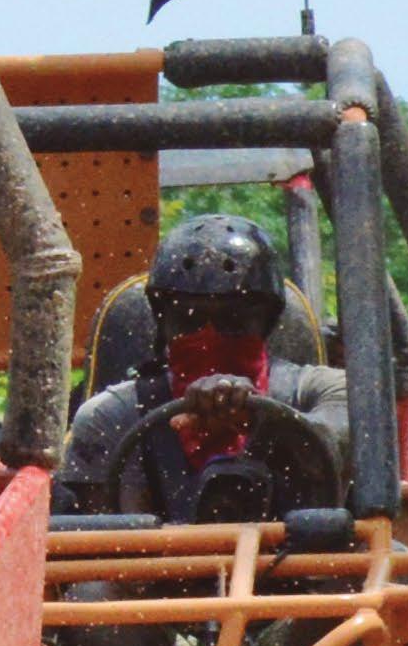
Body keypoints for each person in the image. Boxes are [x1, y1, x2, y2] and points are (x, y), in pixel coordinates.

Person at [58, 217, 352, 525]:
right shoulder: (112, 416)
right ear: (163, 323)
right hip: (161, 558)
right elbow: (103, 541)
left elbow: (335, 443)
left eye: (233, 320)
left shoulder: (326, 391)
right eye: (190, 320)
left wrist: (260, 417)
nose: (209, 337)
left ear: (266, 322)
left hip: (304, 557)